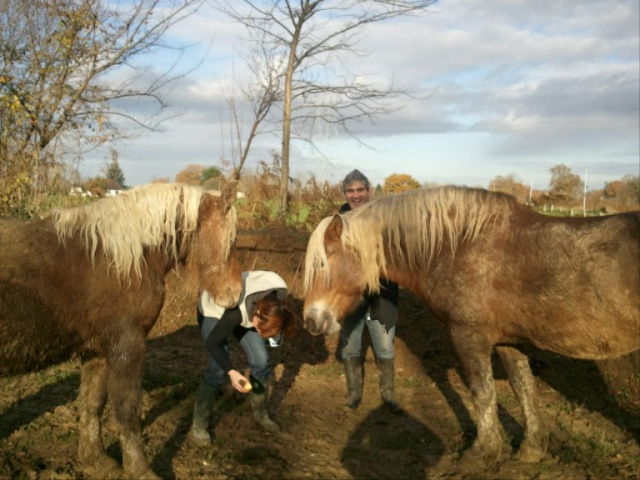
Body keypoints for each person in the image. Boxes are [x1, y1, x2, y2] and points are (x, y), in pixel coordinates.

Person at [189, 270, 296, 445]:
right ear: (258, 314)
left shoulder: (279, 302)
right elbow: (212, 344)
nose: (260, 333)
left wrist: (271, 333)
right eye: (260, 329)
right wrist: (231, 372)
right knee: (217, 369)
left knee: (261, 361)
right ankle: (199, 426)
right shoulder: (236, 313)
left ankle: (261, 413)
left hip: (247, 306)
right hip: (214, 308)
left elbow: (274, 328)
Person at [338, 169, 402, 413]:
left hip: (382, 296)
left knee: (385, 347)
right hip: (351, 297)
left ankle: (388, 396)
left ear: (369, 191)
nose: (356, 195)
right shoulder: (338, 222)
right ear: (344, 193)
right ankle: (354, 395)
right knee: (350, 347)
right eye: (351, 191)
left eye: (360, 190)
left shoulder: (384, 218)